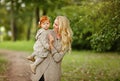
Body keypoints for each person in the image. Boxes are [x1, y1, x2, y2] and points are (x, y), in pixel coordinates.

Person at [31, 16, 73, 81]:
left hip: (52, 72)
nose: (53, 26)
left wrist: (51, 45)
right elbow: (39, 45)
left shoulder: (66, 41)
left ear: (62, 27)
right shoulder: (48, 32)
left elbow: (57, 58)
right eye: (53, 23)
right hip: (40, 69)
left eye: (56, 24)